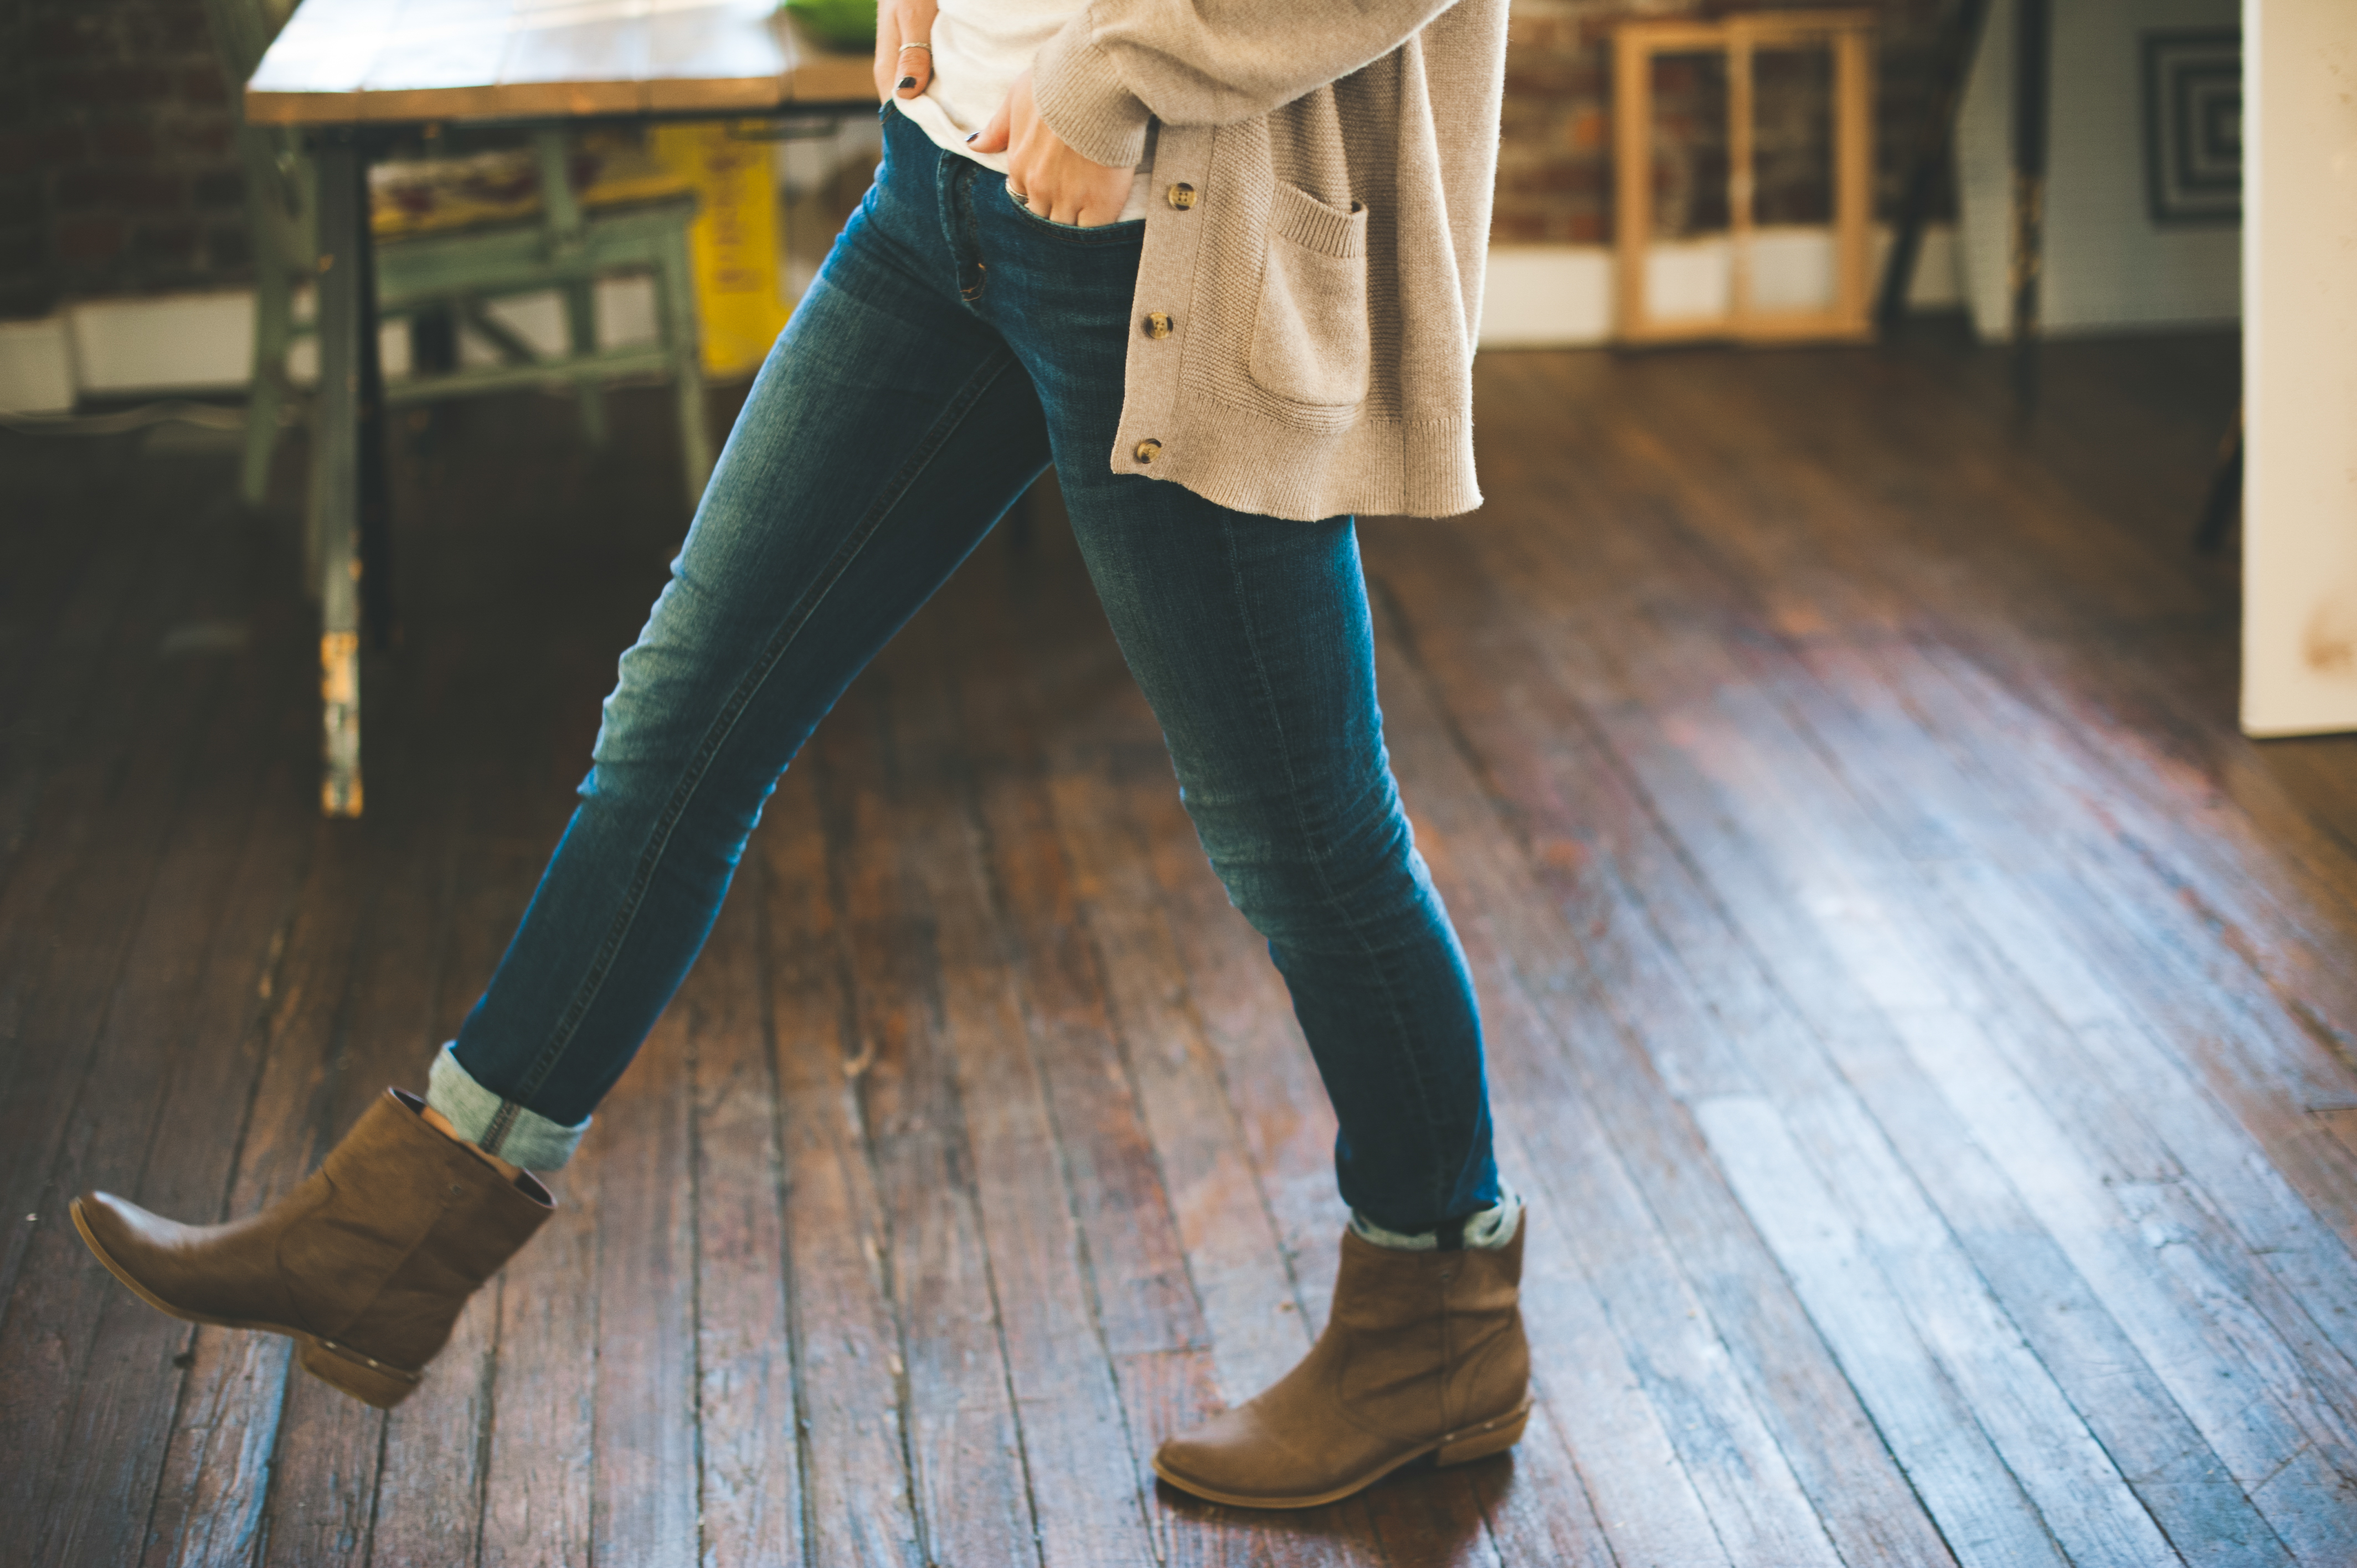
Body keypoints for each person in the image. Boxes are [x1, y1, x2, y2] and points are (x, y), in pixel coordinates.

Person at [73, 0, 1528, 1512]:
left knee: (1300, 837)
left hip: (1158, 231)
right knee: (682, 719)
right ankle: (401, 1230)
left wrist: (1118, 74)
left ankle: (1438, 1312)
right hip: (938, 194)